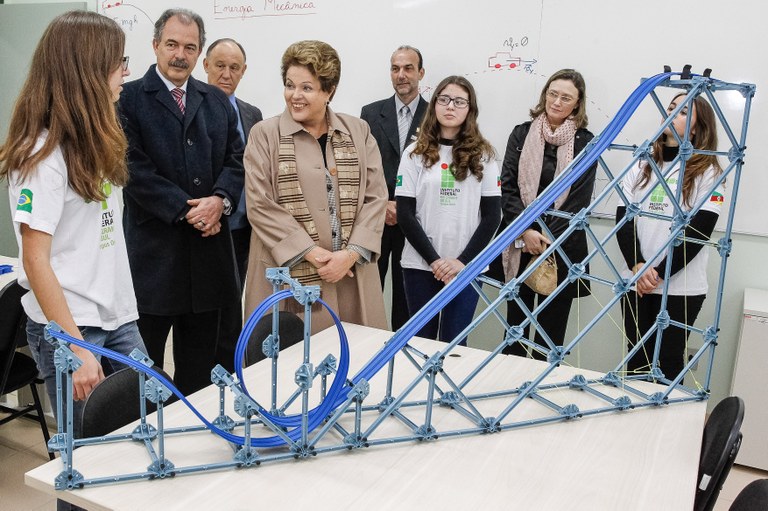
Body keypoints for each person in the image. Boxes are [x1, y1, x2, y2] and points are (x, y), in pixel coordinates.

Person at [0, 10, 144, 438]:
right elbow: (35, 260)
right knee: (85, 461)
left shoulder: (92, 137)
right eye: (118, 61)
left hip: (117, 317)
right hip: (73, 326)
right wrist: (76, 346)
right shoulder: (40, 154)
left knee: (144, 433)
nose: (126, 71)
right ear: (87, 68)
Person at [119, 8, 244, 394]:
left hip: (208, 261)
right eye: (172, 44)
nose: (180, 55)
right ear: (155, 45)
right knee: (145, 375)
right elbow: (132, 168)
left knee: (201, 372)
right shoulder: (128, 99)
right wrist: (189, 210)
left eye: (190, 47)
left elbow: (237, 160)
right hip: (154, 261)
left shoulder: (216, 101)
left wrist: (220, 201)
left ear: (199, 52)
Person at [243, 40, 388, 334]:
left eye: (306, 88)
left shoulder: (358, 131)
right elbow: (260, 204)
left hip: (351, 275)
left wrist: (348, 256)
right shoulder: (264, 135)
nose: (295, 96)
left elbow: (376, 198)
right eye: (289, 85)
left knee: (355, 361)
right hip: (286, 278)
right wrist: (313, 254)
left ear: (329, 90)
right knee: (288, 367)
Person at [617, 93, 723, 381]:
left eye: (682, 111)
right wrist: (638, 267)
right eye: (671, 108)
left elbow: (699, 231)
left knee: (669, 360)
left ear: (697, 126)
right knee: (636, 356)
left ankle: (665, 426)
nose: (672, 113)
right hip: (636, 280)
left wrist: (658, 274)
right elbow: (623, 218)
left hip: (680, 286)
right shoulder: (642, 163)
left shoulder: (708, 170)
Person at [497, 69, 597, 359]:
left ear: (577, 104)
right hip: (519, 243)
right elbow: (508, 186)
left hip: (561, 249)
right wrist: (526, 232)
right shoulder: (520, 133)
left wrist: (544, 240)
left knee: (549, 338)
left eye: (566, 97)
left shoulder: (586, 142)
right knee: (514, 332)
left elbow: (578, 200)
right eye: (552, 93)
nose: (556, 101)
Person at [395, 75, 501, 345]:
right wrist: (435, 261)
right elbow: (405, 215)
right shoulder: (413, 154)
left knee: (455, 345)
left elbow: (492, 216)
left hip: (467, 266)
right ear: (434, 105)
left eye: (459, 101)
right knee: (421, 342)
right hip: (420, 264)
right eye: (444, 99)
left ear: (470, 109)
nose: (450, 106)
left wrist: (461, 262)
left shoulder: (485, 156)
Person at [203, 37, 263, 373]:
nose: (227, 74)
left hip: (245, 229)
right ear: (206, 66)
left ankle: (233, 369)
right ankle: (212, 376)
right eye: (220, 66)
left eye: (234, 68)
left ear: (243, 71)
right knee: (211, 312)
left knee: (235, 305)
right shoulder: (196, 107)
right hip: (210, 227)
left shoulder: (252, 114)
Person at [360, 45, 428, 331]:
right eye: (395, 68)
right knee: (370, 294)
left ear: (421, 73)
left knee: (408, 299)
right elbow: (360, 166)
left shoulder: (435, 116)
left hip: (416, 222)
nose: (401, 75)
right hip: (376, 219)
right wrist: (385, 203)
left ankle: (403, 360)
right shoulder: (371, 113)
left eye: (408, 68)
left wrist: (405, 207)